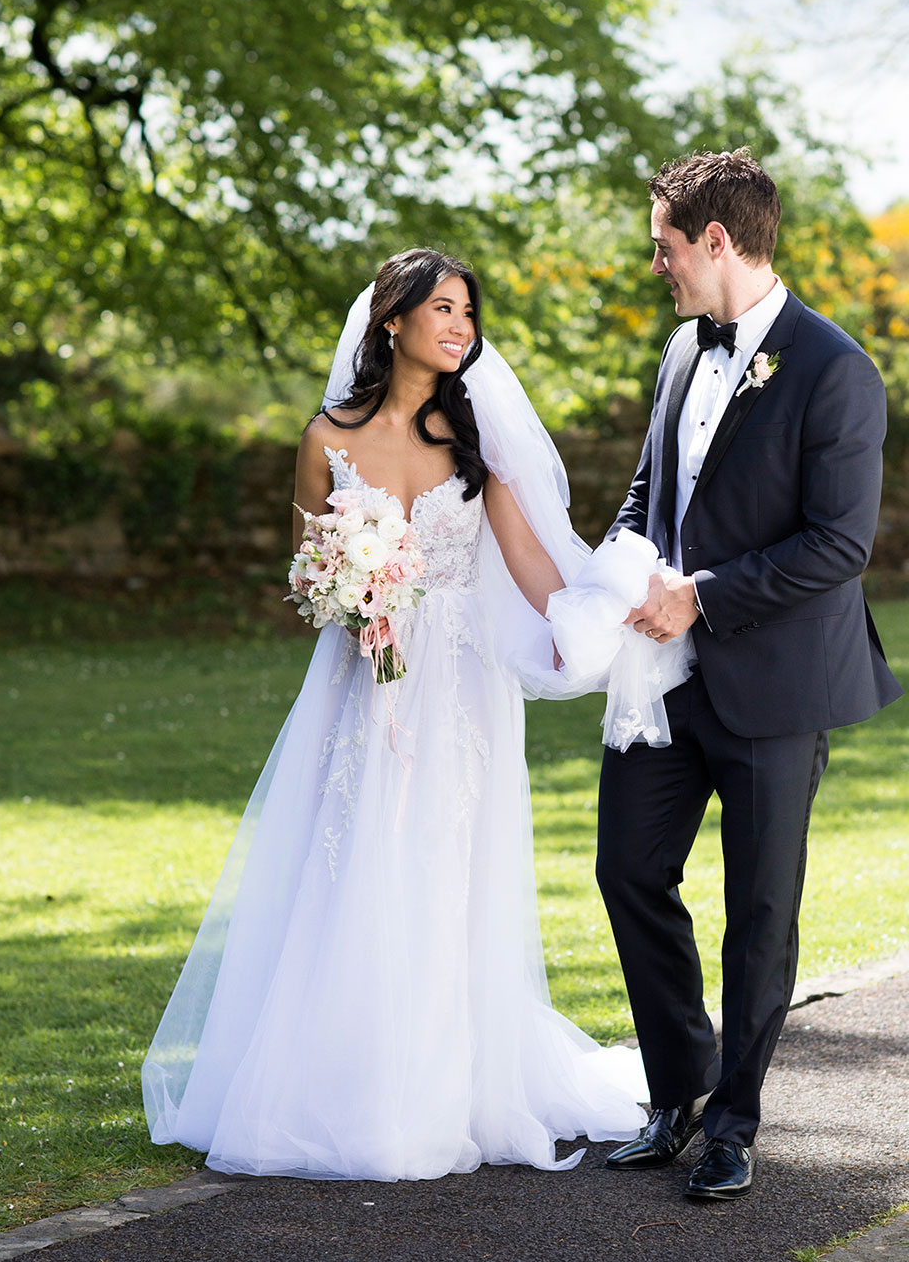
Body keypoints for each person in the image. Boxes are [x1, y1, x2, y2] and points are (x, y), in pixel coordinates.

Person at [141, 247, 653, 1182]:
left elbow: (536, 567)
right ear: (392, 320)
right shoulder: (324, 438)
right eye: (444, 309)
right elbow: (305, 570)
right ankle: (351, 1081)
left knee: (455, 866)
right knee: (357, 859)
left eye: (469, 313)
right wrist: (354, 600)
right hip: (364, 684)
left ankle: (454, 1081)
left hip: (462, 689)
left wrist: (596, 623)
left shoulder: (474, 445)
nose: (460, 327)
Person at [597, 149, 902, 1200]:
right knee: (627, 871)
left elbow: (836, 544)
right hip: (665, 680)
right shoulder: (680, 352)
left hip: (777, 685)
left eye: (663, 247)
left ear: (715, 242)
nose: (657, 266)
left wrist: (702, 593)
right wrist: (615, 578)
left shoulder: (834, 368)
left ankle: (733, 1123)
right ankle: (677, 1091)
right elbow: (647, 497)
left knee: (759, 907)